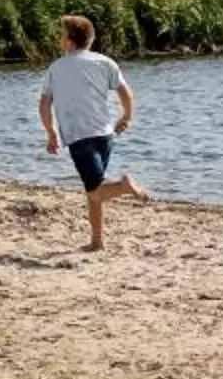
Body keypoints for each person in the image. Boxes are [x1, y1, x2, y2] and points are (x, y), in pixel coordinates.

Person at [37, 13, 151, 251]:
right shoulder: (105, 62)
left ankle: (124, 186)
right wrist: (126, 117)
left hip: (79, 136)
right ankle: (97, 240)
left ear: (69, 41)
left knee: (96, 189)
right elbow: (125, 93)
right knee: (94, 188)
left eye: (61, 35)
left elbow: (44, 103)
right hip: (105, 134)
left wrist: (51, 133)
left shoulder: (56, 68)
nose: (59, 39)